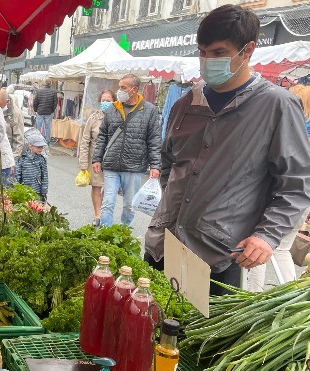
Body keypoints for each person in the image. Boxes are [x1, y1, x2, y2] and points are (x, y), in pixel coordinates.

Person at [144, 5, 310, 295]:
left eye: (219, 53)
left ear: (247, 51)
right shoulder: (185, 105)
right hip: (162, 247)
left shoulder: (277, 106)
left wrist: (267, 236)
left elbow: (296, 184)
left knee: (197, 339)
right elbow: (169, 164)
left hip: (217, 258)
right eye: (202, 52)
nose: (208, 61)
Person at [247, 84, 310, 291]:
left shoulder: (293, 132)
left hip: (280, 203)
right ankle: (290, 293)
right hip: (300, 203)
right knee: (282, 249)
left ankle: (252, 295)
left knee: (257, 247)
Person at [92, 74, 161, 227]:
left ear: (134, 89)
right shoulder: (112, 108)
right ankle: (105, 234)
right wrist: (97, 158)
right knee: (108, 202)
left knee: (129, 205)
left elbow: (154, 139)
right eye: (119, 87)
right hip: (111, 163)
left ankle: (124, 232)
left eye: (123, 87)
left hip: (134, 166)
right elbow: (103, 135)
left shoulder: (149, 110)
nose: (119, 90)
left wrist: (155, 165)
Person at [79, 90, 115, 226]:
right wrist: (83, 163)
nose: (105, 103)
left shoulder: (119, 117)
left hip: (112, 158)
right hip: (96, 159)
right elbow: (85, 140)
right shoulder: (94, 118)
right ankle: (98, 215)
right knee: (96, 187)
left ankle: (105, 211)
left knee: (110, 187)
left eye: (108, 100)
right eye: (103, 100)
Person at [0, 85, 25, 161]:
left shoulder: (15, 114)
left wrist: (13, 159)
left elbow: (18, 139)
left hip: (8, 155)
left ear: (7, 102)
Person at [16, 135, 49, 202]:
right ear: (30, 146)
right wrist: (17, 186)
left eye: (41, 147)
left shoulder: (41, 160)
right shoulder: (23, 158)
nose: (40, 149)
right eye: (38, 147)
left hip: (37, 190)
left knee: (36, 207)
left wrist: (44, 191)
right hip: (24, 189)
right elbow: (18, 174)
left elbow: (45, 176)